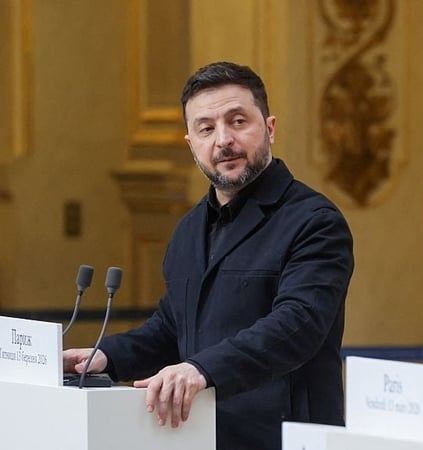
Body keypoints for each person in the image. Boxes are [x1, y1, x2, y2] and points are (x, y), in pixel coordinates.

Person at [63, 61, 355, 450]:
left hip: (284, 438)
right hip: (198, 437)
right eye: (206, 128)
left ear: (269, 129)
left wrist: (202, 369)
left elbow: (297, 325)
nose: (223, 140)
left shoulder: (315, 221)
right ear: (191, 144)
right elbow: (172, 329)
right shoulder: (188, 230)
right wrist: (104, 357)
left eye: (238, 122)